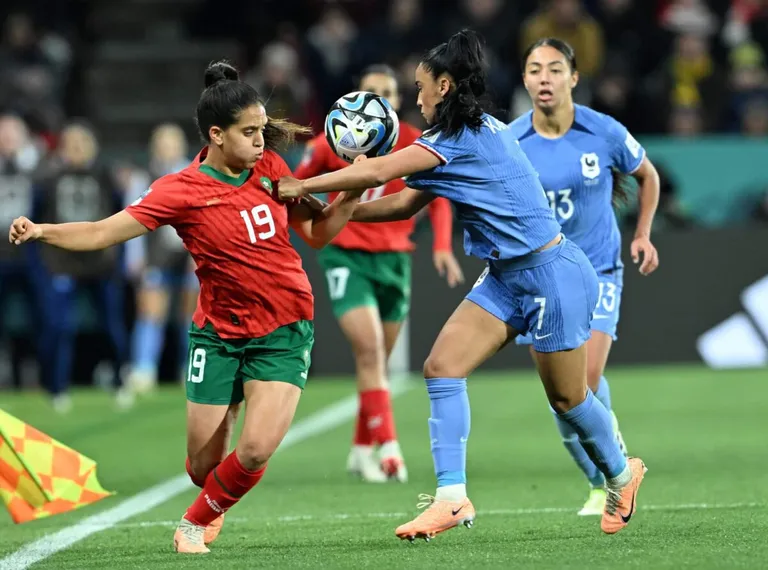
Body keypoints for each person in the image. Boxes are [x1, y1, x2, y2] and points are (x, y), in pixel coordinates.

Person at [278, 30, 647, 541]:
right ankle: (452, 498)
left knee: (569, 398)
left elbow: (383, 168)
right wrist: (345, 212)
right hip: (505, 276)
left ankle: (623, 475)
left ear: (446, 86)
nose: (417, 97)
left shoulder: (458, 141)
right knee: (442, 367)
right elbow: (405, 202)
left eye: (421, 87)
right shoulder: (464, 136)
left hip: (551, 274)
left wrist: (302, 186)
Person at [9, 60, 364, 554]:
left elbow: (319, 234)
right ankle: (214, 484)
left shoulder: (271, 168)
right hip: (218, 335)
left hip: (284, 327)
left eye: (263, 129)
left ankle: (194, 523)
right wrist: (43, 231)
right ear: (216, 135)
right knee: (202, 468)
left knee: (256, 450)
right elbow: (102, 231)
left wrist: (350, 193)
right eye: (250, 132)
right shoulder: (180, 190)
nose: (262, 141)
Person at [510, 38, 660, 516]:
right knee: (562, 397)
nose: (544, 79)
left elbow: (649, 176)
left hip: (598, 269)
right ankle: (600, 482)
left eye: (555, 69)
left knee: (585, 381)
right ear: (525, 80)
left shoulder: (604, 131)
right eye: (535, 70)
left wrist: (642, 234)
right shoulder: (512, 142)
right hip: (541, 277)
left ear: (574, 78)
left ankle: (616, 476)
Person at [294, 63, 463, 483]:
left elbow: (437, 197)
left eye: (388, 92)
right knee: (369, 352)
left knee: (377, 363)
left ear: (399, 99)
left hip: (394, 260)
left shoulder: (413, 142)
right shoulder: (330, 141)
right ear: (356, 96)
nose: (379, 100)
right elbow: (294, 189)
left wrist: (442, 246)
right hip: (345, 256)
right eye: (371, 92)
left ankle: (359, 449)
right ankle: (389, 449)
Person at [34, 121, 130, 412]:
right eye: (71, 144)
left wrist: (119, 258)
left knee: (112, 326)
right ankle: (57, 387)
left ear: (92, 147)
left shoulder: (105, 176)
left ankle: (120, 380)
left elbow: (123, 215)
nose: (76, 150)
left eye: (81, 144)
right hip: (62, 262)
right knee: (59, 327)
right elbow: (36, 217)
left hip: (101, 262)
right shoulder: (49, 178)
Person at [124, 123, 198, 393]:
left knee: (190, 315)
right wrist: (135, 257)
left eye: (173, 143)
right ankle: (144, 369)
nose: (168, 148)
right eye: (163, 143)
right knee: (150, 312)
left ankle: (190, 367)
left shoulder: (193, 172)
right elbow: (129, 217)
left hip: (190, 254)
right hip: (156, 254)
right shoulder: (143, 177)